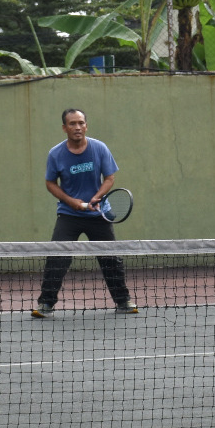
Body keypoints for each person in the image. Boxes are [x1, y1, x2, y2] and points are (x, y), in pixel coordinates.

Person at [32, 108, 138, 317]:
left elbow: (109, 178)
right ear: (65, 128)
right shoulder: (56, 154)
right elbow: (50, 183)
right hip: (69, 215)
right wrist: (71, 201)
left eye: (81, 123)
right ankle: (46, 304)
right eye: (72, 123)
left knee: (110, 259)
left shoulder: (99, 148)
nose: (77, 127)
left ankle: (123, 301)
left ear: (86, 126)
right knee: (57, 257)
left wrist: (97, 196)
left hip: (98, 214)